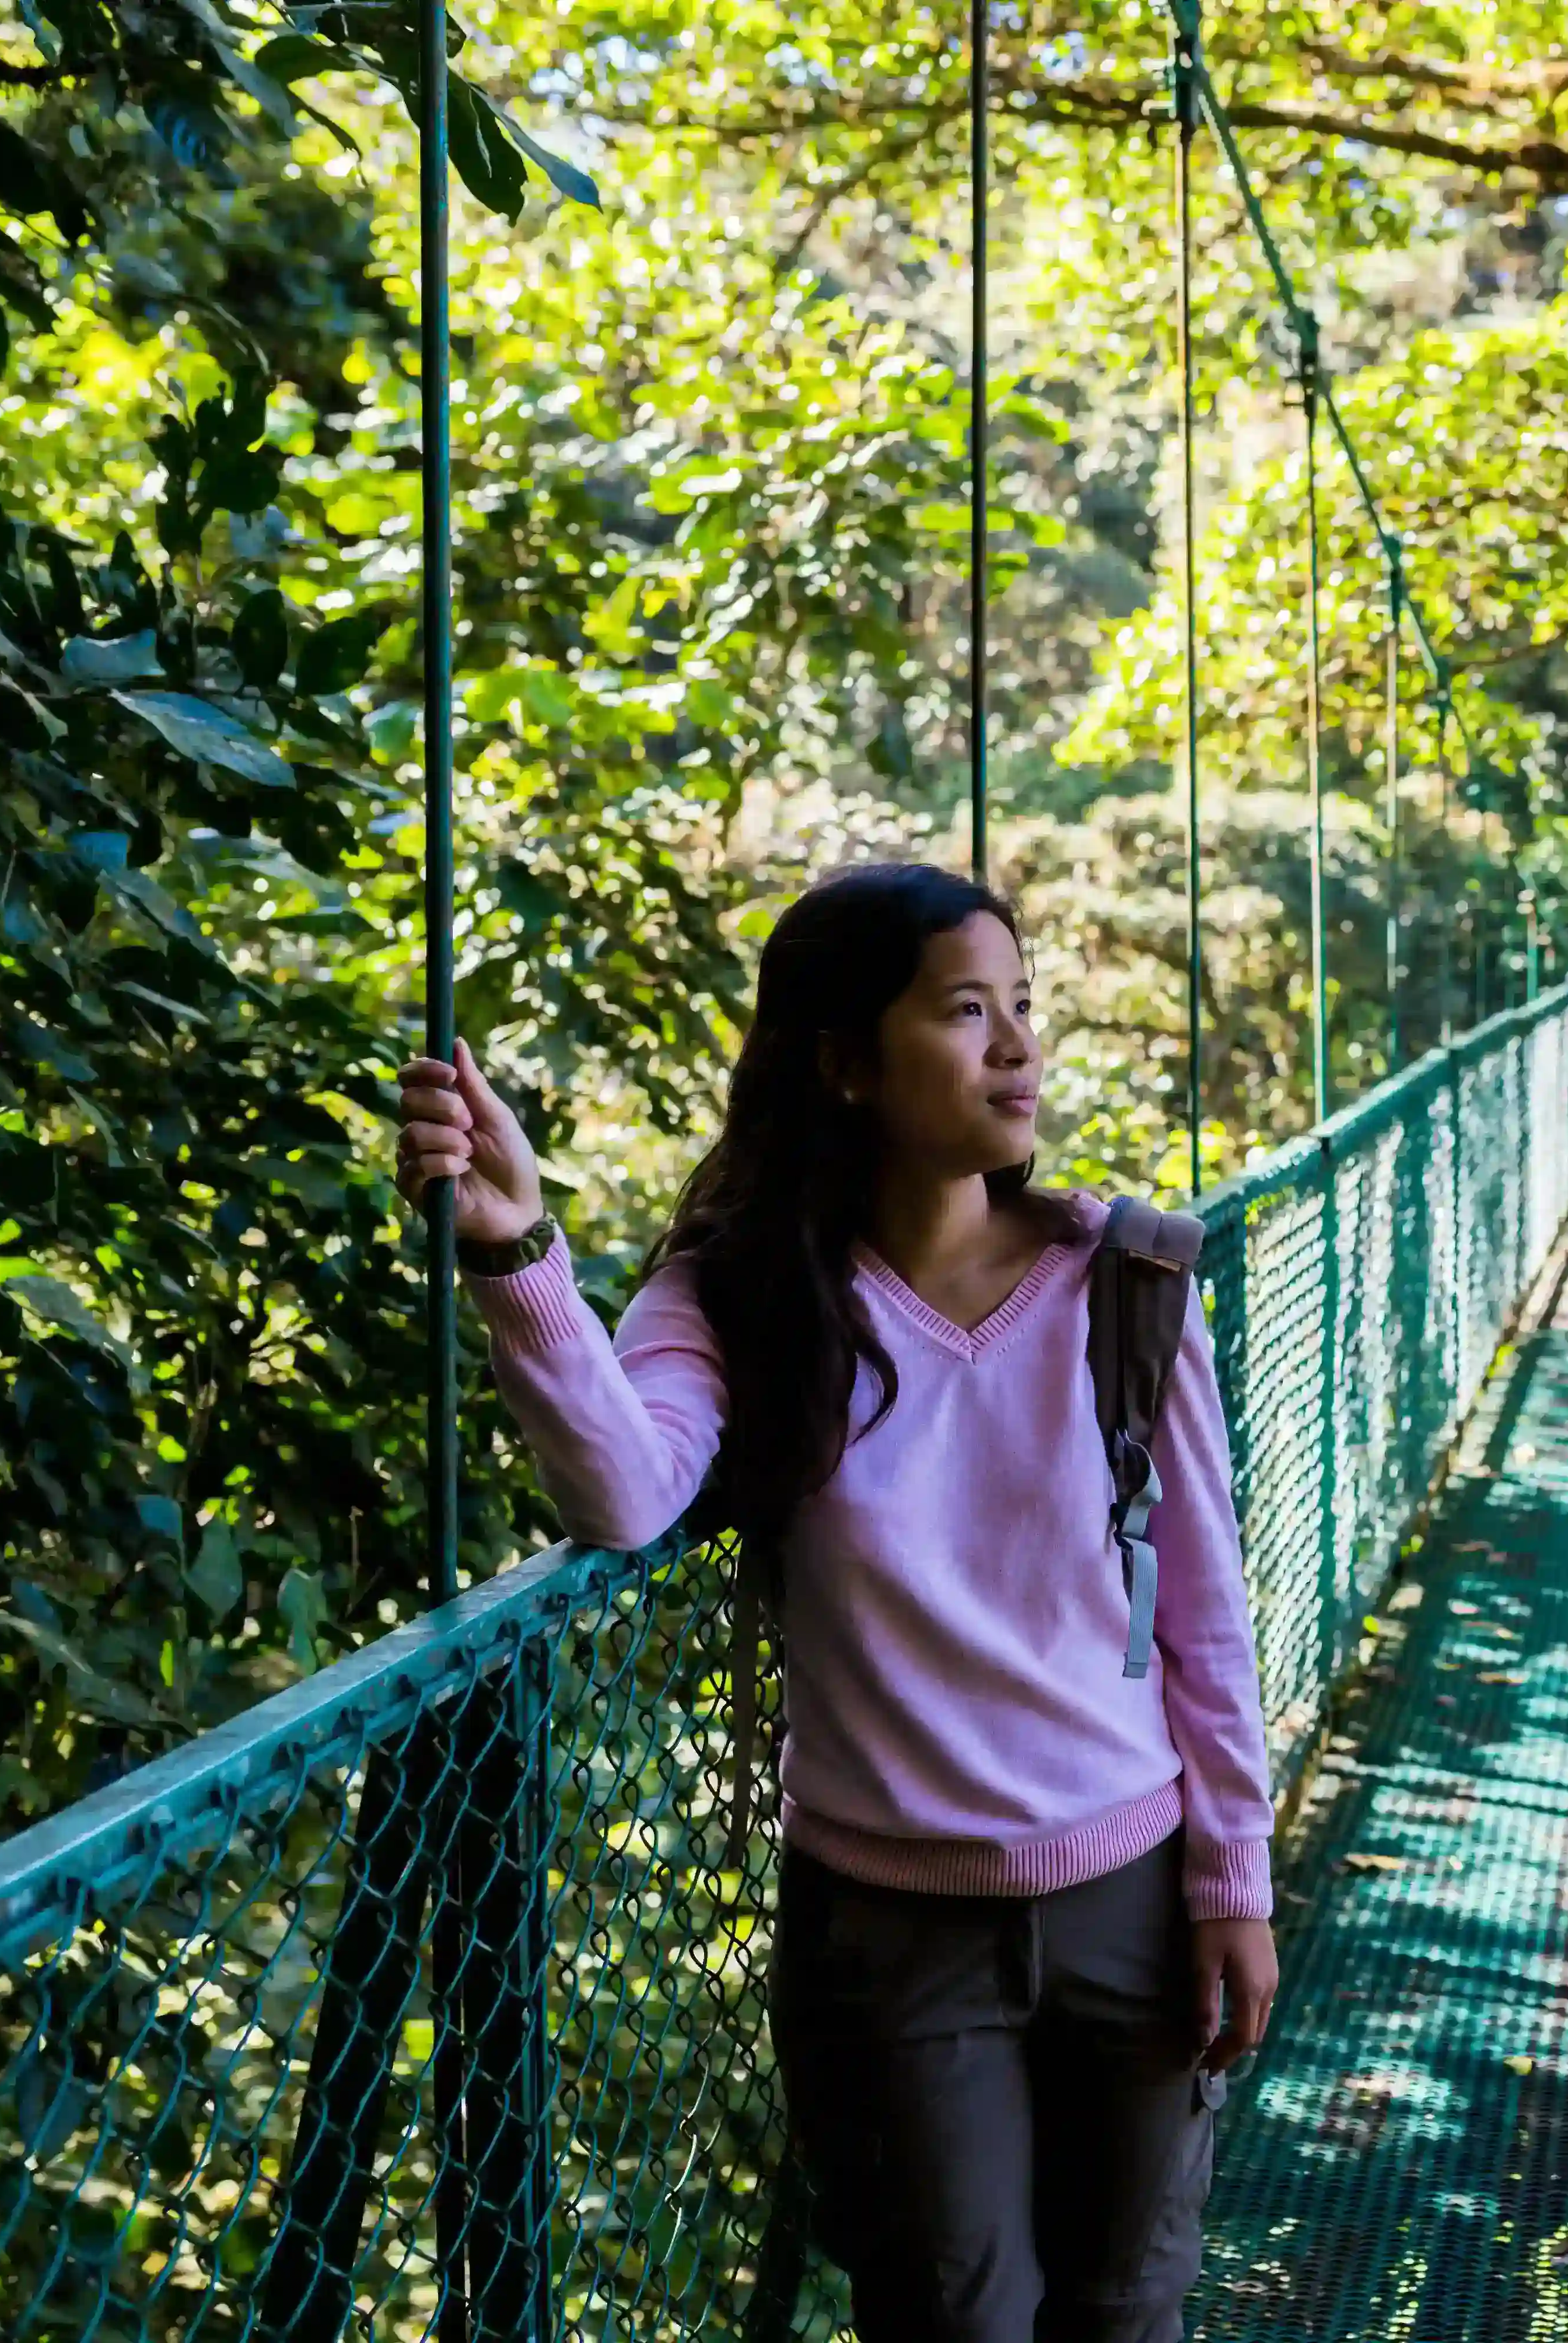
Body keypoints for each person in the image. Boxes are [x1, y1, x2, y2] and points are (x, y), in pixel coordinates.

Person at [395, 861, 1279, 2343]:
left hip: (1131, 1887)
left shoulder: (1126, 1284)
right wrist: (512, 1247)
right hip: (888, 1932)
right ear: (846, 1063)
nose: (1016, 1047)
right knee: (950, 2322)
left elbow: (1204, 1612)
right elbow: (626, 1488)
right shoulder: (747, 1296)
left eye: (1022, 1008)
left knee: (1129, 2313)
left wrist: (1233, 1886)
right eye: (963, 1011)